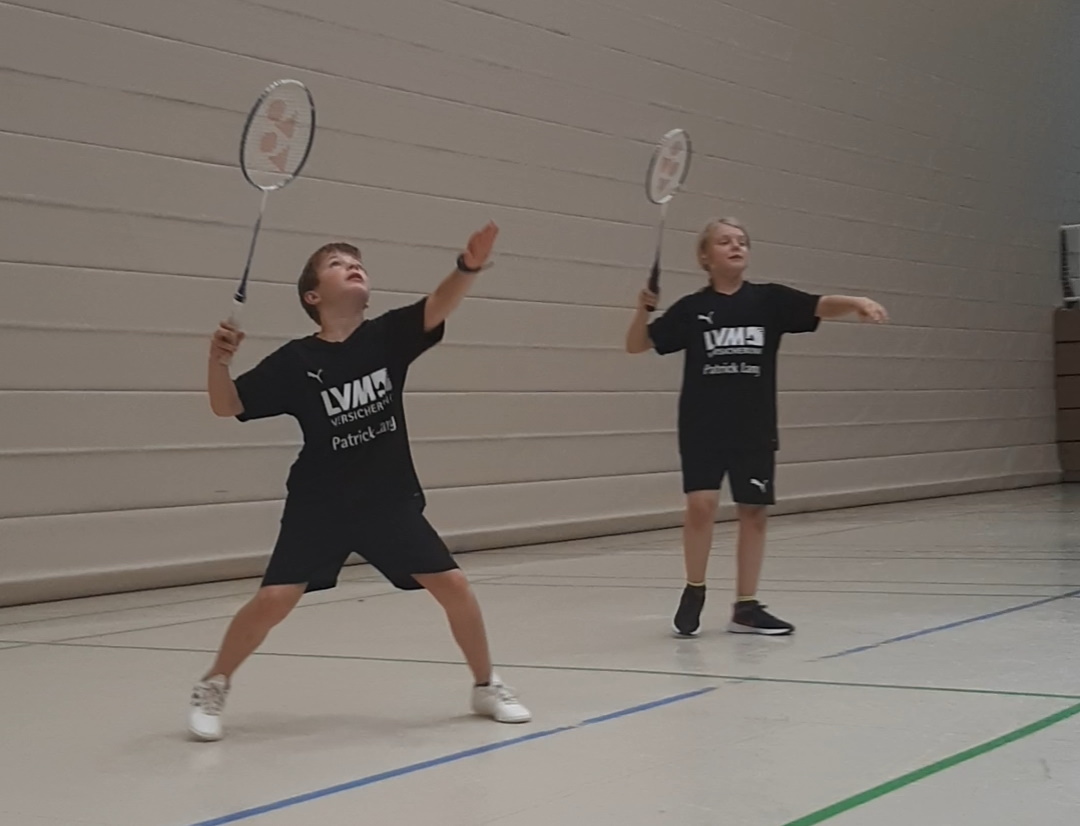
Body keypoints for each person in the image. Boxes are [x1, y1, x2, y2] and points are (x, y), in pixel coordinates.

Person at [189, 221, 530, 741]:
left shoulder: (387, 338)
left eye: (358, 262)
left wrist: (468, 267)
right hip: (320, 504)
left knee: (455, 586)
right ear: (313, 295)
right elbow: (225, 404)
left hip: (386, 501)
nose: (353, 266)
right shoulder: (295, 362)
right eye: (337, 264)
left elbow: (439, 303)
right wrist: (217, 361)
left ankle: (486, 685)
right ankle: (214, 684)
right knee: (273, 600)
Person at [624, 218, 888, 638]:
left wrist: (855, 301)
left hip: (753, 425)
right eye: (725, 241)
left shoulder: (769, 301)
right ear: (705, 257)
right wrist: (644, 308)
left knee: (754, 512)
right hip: (702, 426)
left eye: (743, 242)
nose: (736, 246)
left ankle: (746, 607)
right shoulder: (692, 310)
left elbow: (819, 304)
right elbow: (637, 344)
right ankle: (694, 588)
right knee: (701, 507)